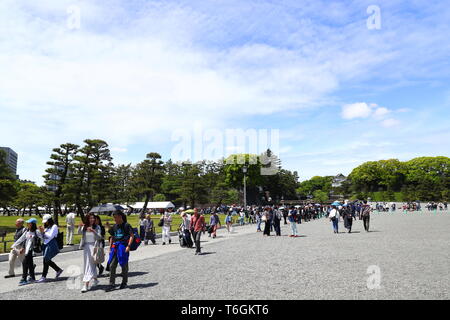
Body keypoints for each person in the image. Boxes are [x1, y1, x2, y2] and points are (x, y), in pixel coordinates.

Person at [105, 211, 134, 292]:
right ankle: (111, 284)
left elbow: (132, 235)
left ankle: (124, 282)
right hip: (115, 247)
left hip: (123, 247)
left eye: (116, 217)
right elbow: (112, 237)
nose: (115, 219)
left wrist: (128, 246)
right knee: (112, 265)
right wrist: (110, 248)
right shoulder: (114, 226)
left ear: (120, 217)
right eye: (114, 217)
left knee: (123, 265)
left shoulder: (126, 225)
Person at [78, 213, 103, 292]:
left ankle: (85, 285)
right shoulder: (85, 227)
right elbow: (79, 233)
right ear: (87, 219)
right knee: (88, 265)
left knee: (90, 265)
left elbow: (100, 237)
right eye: (90, 218)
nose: (92, 220)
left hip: (94, 247)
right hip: (86, 248)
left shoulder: (97, 227)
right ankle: (95, 279)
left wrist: (93, 231)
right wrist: (79, 226)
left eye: (93, 218)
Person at [37, 214, 63, 282]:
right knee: (46, 259)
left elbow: (50, 236)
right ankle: (58, 270)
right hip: (45, 244)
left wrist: (43, 232)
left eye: (46, 221)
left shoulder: (54, 226)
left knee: (46, 259)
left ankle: (43, 276)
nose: (45, 222)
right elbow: (43, 237)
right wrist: (40, 232)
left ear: (49, 220)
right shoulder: (46, 227)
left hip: (51, 244)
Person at [12, 218, 38, 285]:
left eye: (29, 223)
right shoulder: (27, 231)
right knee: (30, 264)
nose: (27, 224)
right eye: (27, 223)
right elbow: (22, 239)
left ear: (32, 224)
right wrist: (14, 245)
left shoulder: (36, 231)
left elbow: (43, 238)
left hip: (31, 250)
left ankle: (24, 279)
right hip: (26, 249)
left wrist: (42, 232)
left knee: (24, 263)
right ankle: (32, 278)